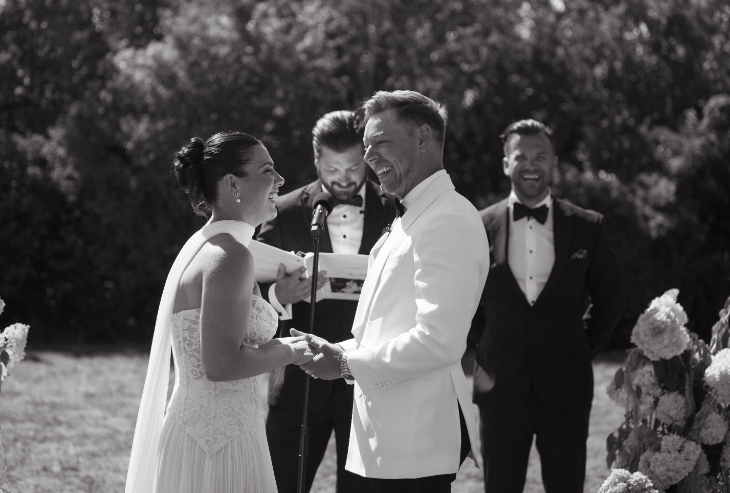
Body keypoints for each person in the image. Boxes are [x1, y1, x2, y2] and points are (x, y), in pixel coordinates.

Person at [295, 91, 489, 493]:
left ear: (423, 137)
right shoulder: (412, 215)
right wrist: (336, 350)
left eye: (380, 142)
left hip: (414, 440)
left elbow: (439, 340)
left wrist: (345, 365)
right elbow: (385, 328)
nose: (368, 156)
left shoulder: (447, 219)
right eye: (366, 146)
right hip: (390, 439)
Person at [124, 132, 315, 493]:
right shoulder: (230, 255)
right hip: (217, 442)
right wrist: (292, 350)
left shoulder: (211, 245)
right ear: (232, 184)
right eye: (267, 170)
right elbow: (222, 364)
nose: (280, 180)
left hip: (209, 429)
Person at [469, 119, 625, 493]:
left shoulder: (588, 226)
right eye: (520, 156)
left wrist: (581, 345)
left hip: (566, 385)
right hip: (499, 386)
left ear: (554, 163)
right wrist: (486, 342)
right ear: (505, 163)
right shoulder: (477, 225)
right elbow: (464, 299)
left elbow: (611, 297)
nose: (531, 165)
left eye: (540, 156)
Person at [256, 110, 394, 493]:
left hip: (371, 380)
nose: (344, 179)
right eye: (332, 169)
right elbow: (248, 290)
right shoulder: (283, 212)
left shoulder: (396, 208)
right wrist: (279, 295)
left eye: (353, 168)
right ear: (316, 160)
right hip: (298, 379)